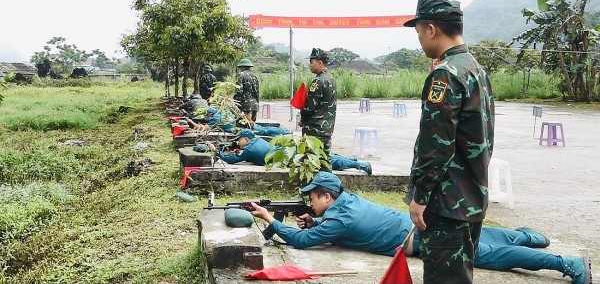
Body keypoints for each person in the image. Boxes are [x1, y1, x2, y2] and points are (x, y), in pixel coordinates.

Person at [249, 171, 592, 284]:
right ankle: (531, 236)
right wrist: (319, 219)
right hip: (419, 222)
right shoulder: (347, 201)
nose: (310, 204)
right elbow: (333, 224)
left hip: (421, 237)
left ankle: (567, 264)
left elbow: (302, 240)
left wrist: (269, 218)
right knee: (481, 235)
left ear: (327, 195)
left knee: (488, 255)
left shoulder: (338, 218)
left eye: (313, 199)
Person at [402, 0, 496, 283]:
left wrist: (420, 196)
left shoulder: (445, 75)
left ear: (431, 30)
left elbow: (436, 145)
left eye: (419, 33)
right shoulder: (475, 69)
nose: (420, 41)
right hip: (470, 196)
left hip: (446, 203)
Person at [206, 129, 371, 174]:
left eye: (239, 139)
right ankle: (352, 160)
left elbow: (231, 161)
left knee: (325, 162)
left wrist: (216, 151)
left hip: (289, 157)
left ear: (246, 140)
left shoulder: (248, 148)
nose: (237, 142)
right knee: (325, 156)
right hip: (288, 150)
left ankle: (361, 165)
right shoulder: (256, 141)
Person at [298, 48, 337, 156]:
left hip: (314, 129)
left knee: (309, 162)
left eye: (311, 62)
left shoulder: (318, 81)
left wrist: (302, 118)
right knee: (324, 161)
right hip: (327, 128)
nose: (309, 65)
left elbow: (310, 106)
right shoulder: (330, 78)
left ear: (320, 63)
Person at [233, 58, 260, 123]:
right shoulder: (254, 76)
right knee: (252, 125)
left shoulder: (240, 75)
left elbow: (239, 91)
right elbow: (257, 92)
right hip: (254, 104)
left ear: (242, 67)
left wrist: (236, 103)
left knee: (242, 125)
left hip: (244, 105)